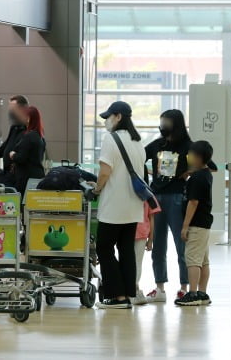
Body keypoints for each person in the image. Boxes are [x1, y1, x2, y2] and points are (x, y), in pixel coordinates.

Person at [144, 109, 216, 303]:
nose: (163, 125)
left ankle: (184, 287)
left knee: (182, 245)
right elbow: (138, 157)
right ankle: (160, 288)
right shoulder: (157, 144)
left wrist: (189, 172)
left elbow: (211, 165)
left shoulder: (188, 146)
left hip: (177, 197)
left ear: (176, 123)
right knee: (157, 244)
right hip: (156, 197)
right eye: (161, 121)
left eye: (166, 121)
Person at [92, 101, 145, 309]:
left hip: (113, 206)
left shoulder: (110, 139)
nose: (106, 121)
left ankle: (116, 297)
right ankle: (128, 294)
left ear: (119, 117)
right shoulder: (137, 141)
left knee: (104, 248)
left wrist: (96, 189)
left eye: (108, 117)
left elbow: (105, 172)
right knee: (126, 250)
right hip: (133, 207)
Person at [175, 141, 214, 306]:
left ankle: (192, 293)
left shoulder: (197, 178)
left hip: (196, 224)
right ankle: (202, 293)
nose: (188, 157)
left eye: (191, 154)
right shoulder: (205, 174)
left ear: (198, 157)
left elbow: (193, 202)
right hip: (204, 223)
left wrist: (185, 226)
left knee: (192, 259)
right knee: (203, 260)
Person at [0, 95, 29, 184]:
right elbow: (7, 144)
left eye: (13, 109)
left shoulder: (30, 129)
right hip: (8, 174)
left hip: (20, 176)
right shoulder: (15, 127)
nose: (10, 112)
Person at [9, 106, 46, 195]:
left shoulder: (29, 136)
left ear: (29, 118)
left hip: (26, 178)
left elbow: (21, 158)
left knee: (22, 205)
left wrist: (12, 154)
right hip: (37, 175)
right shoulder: (40, 136)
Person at [132, 196, 161, 305]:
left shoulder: (148, 196)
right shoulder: (148, 195)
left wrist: (151, 240)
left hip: (141, 233)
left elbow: (151, 217)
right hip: (129, 232)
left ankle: (134, 289)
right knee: (134, 262)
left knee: (136, 263)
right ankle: (134, 289)